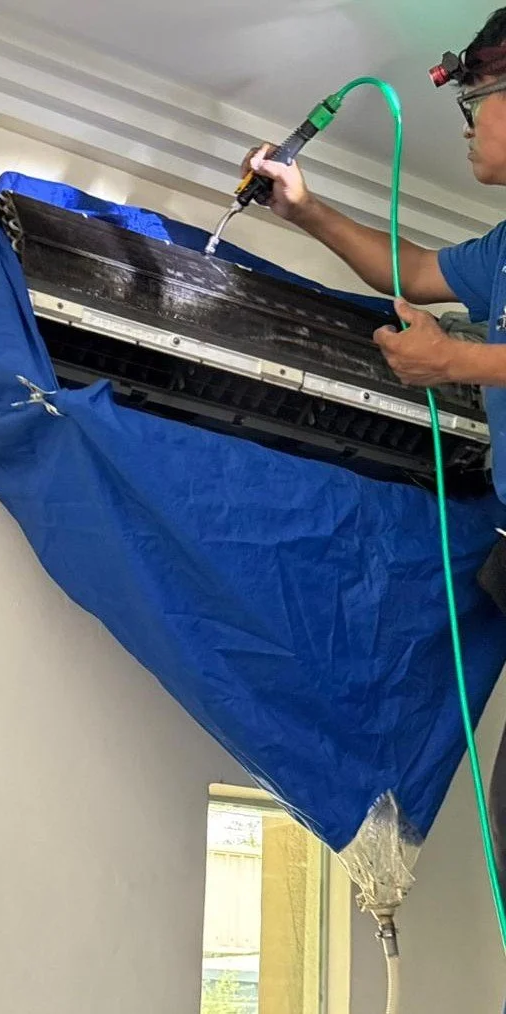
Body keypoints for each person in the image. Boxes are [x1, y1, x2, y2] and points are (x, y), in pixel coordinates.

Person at [242, 8, 506, 906]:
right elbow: (414, 272)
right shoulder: (504, 252)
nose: (464, 123)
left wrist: (456, 361)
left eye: (475, 98)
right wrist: (306, 209)